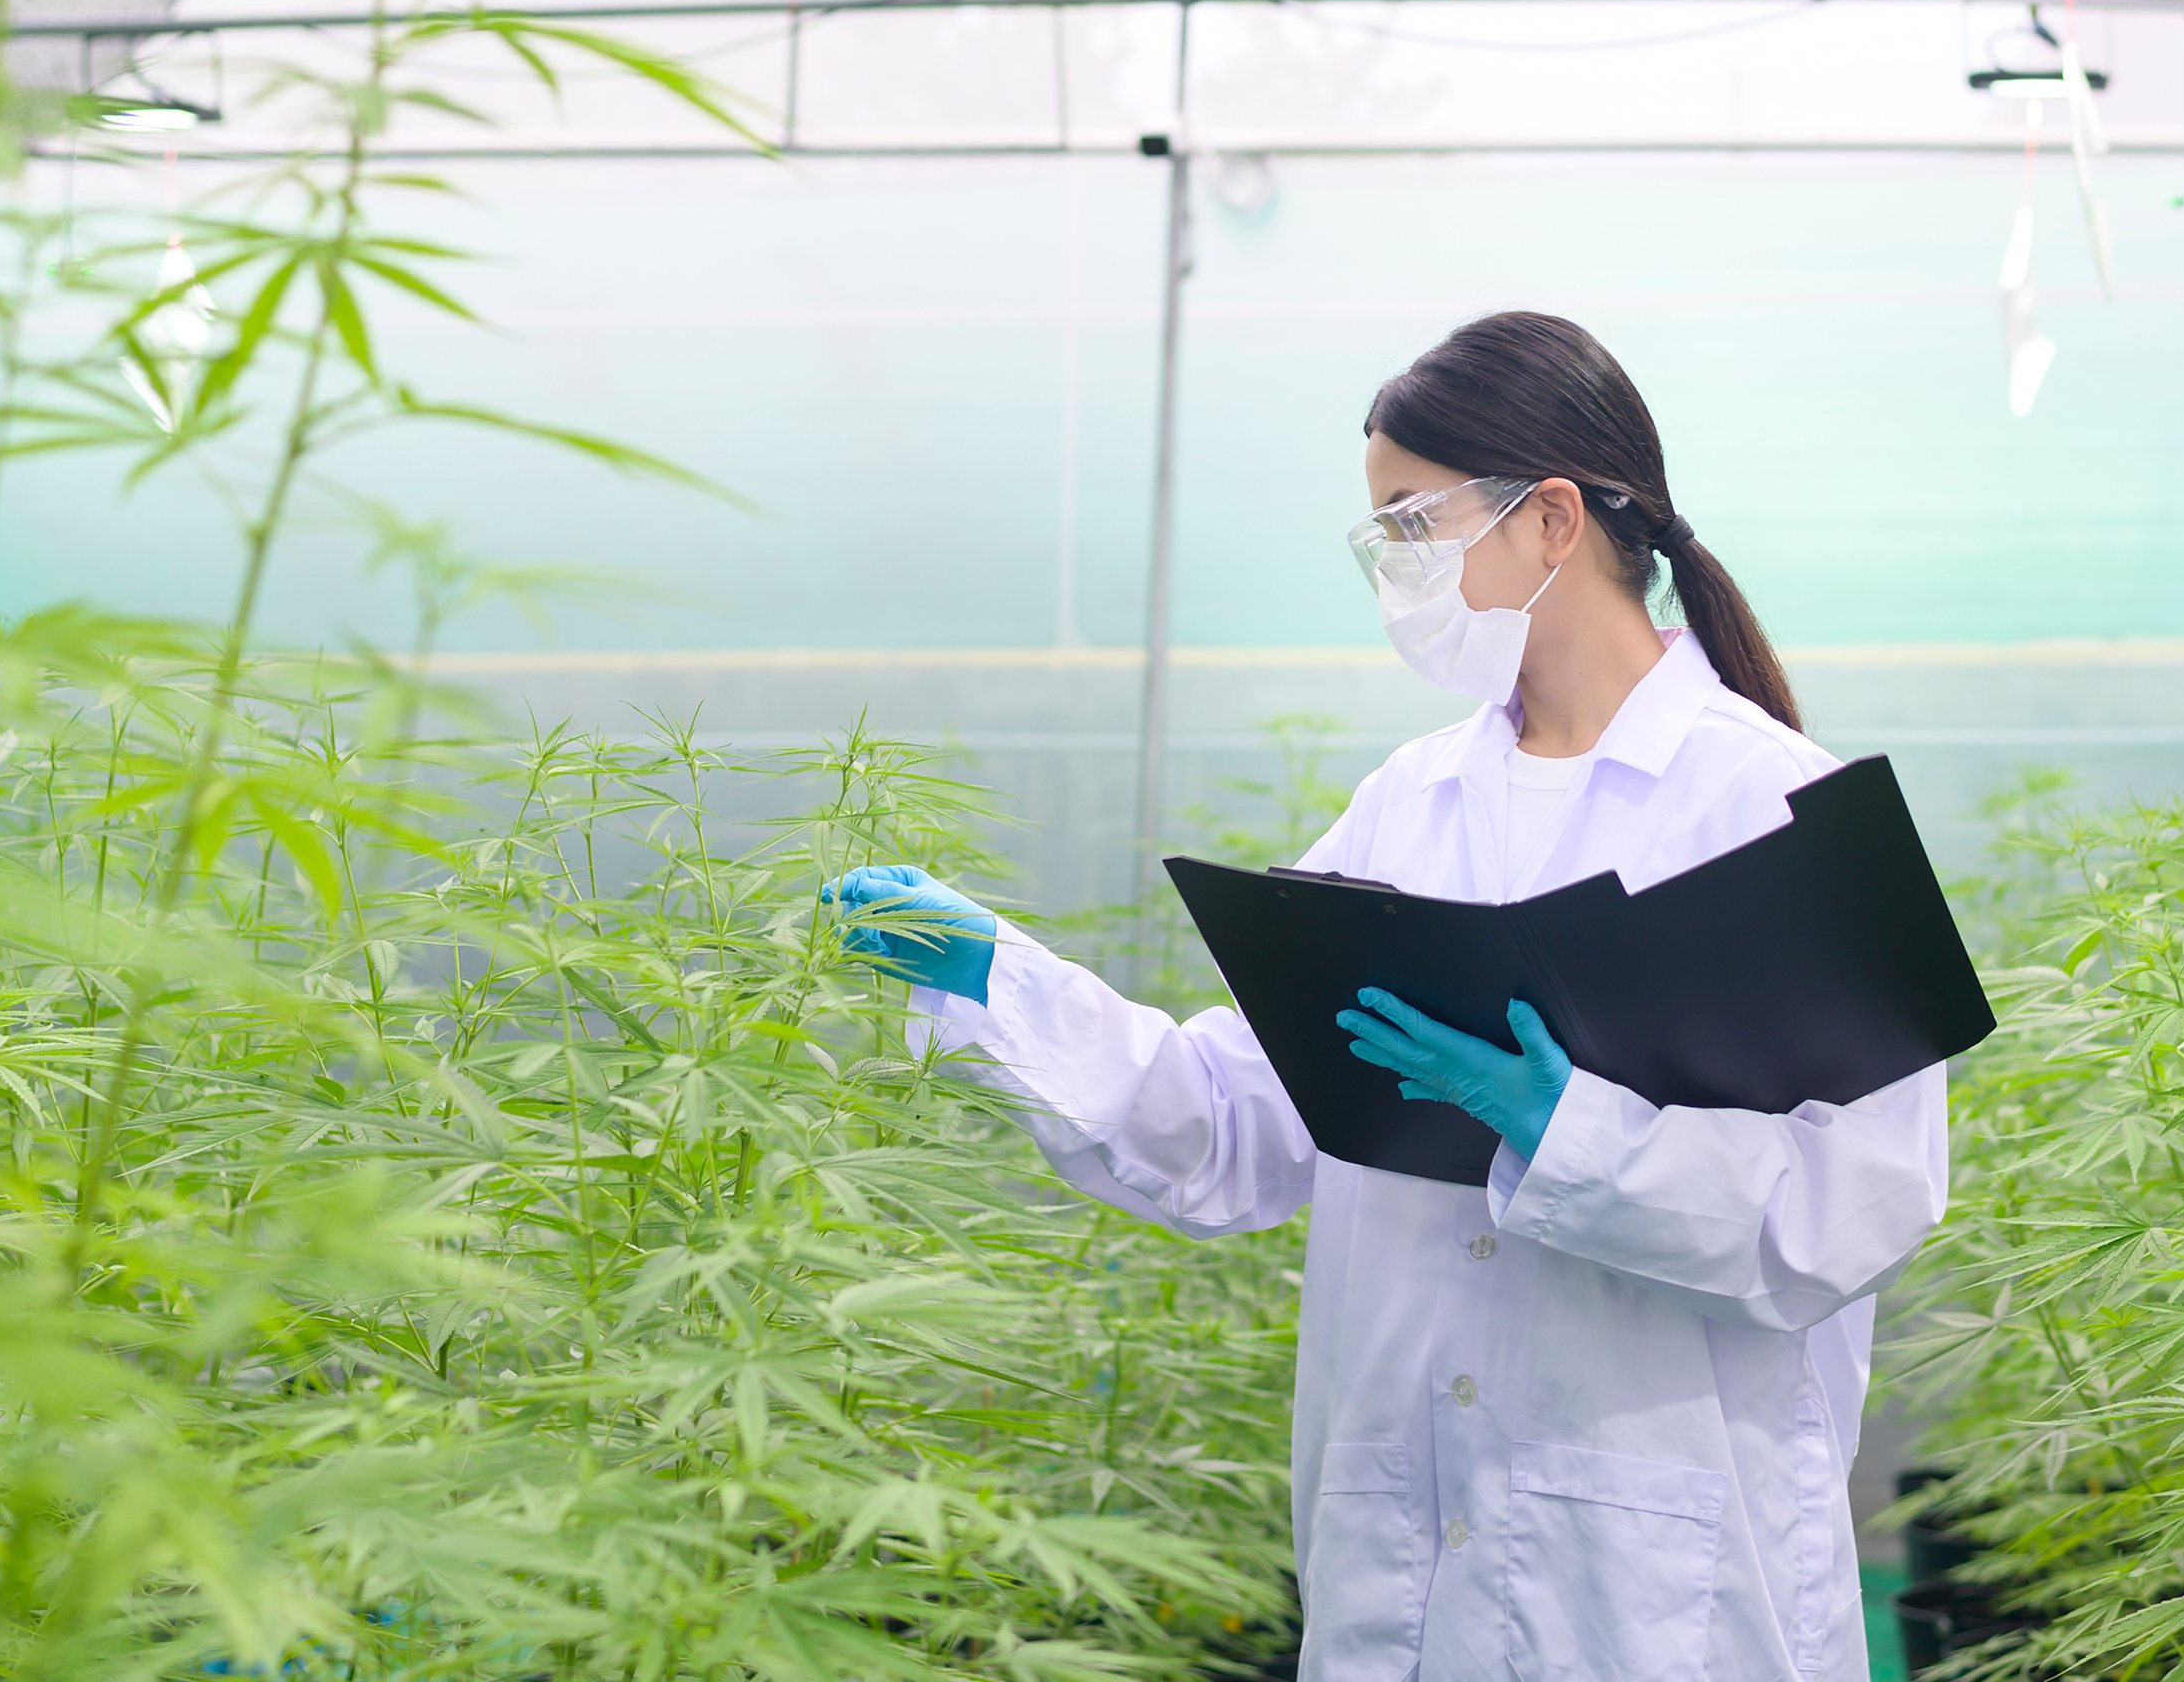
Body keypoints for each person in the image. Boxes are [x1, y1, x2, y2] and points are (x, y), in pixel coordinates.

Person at [825, 310, 1948, 1682]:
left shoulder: (1771, 809)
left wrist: (1572, 1132)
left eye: (1411, 526)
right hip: (1409, 1562)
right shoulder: (1408, 805)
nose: (1394, 574)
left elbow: (1855, 1212)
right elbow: (1240, 1119)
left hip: (1664, 1584)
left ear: (1549, 521)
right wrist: (1005, 985)